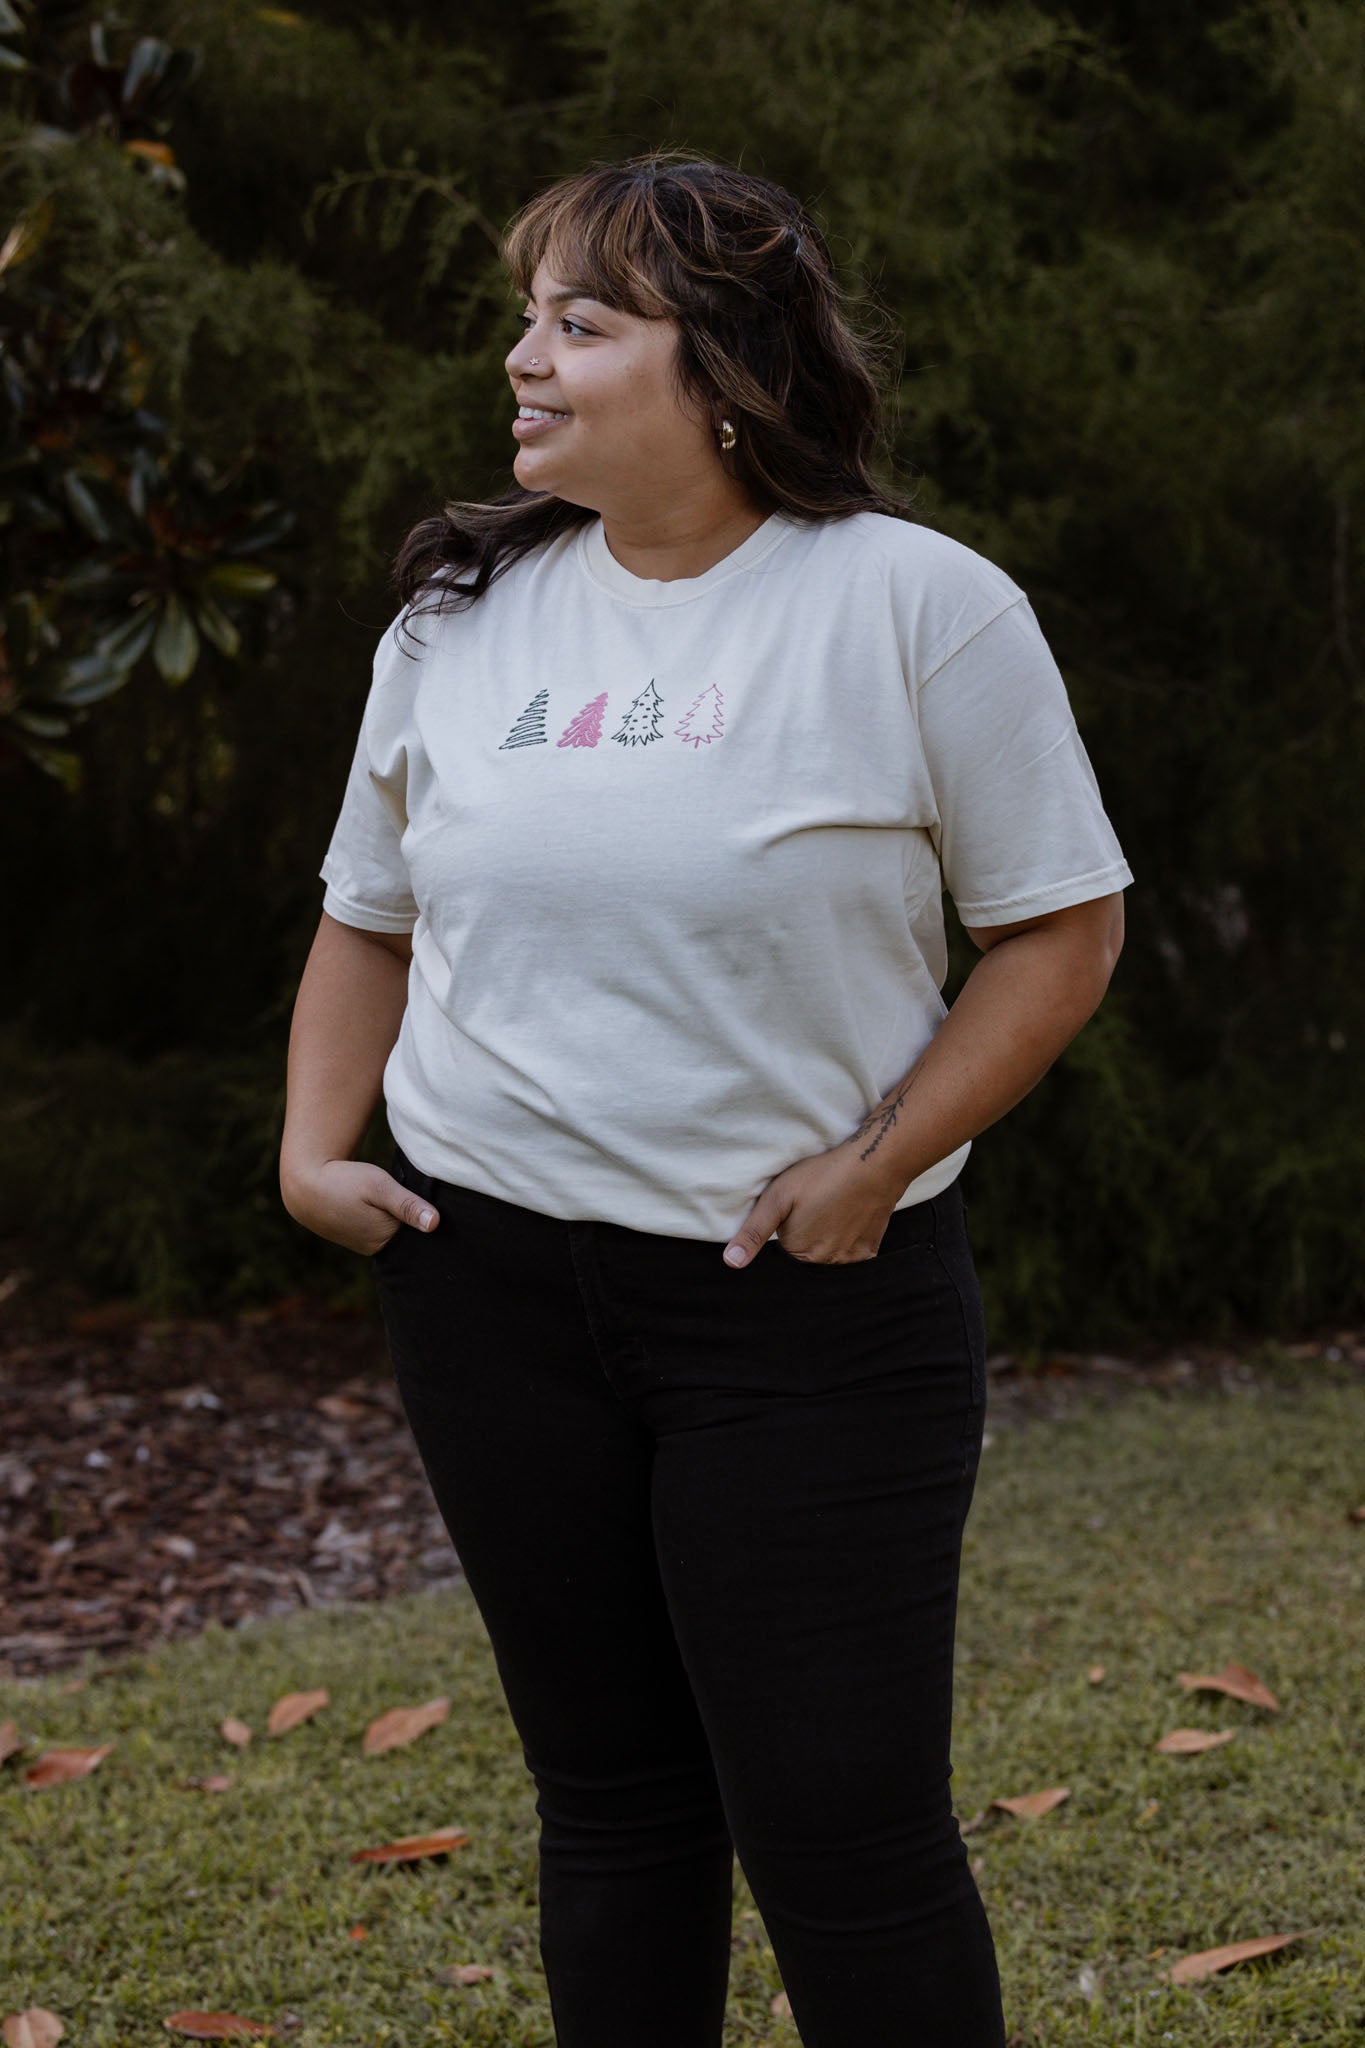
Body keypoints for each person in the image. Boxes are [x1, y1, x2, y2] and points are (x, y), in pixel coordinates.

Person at [280, 149, 1134, 2048]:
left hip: (803, 1305)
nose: (525, 359)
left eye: (581, 325)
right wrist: (312, 1151)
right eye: (530, 318)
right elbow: (369, 912)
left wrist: (874, 1167)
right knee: (610, 1812)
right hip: (491, 1292)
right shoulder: (454, 615)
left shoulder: (916, 606)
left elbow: (1062, 932)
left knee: (843, 1836)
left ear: (726, 369)